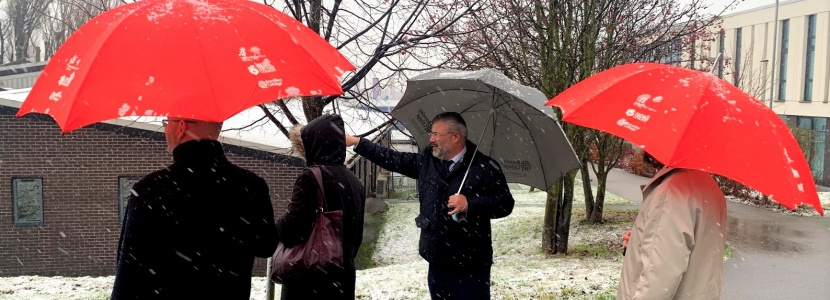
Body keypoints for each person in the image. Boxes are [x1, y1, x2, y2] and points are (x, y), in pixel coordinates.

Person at [346, 112, 515, 299]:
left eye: (436, 134)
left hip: (471, 266)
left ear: (455, 136)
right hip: (437, 262)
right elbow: (394, 159)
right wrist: (358, 142)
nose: (431, 139)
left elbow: (505, 204)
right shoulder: (428, 160)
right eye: (431, 134)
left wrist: (470, 203)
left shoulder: (485, 167)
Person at [111, 117, 279, 299]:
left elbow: (129, 272)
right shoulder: (252, 186)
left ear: (181, 127)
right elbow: (266, 246)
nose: (165, 129)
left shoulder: (149, 189)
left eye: (166, 122)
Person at [276, 114, 366, 299]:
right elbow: (355, 235)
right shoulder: (354, 180)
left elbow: (293, 230)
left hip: (310, 276)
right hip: (343, 275)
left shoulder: (311, 177)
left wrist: (277, 227)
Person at [617, 151, 727, 300]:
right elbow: (695, 250)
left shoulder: (673, 190)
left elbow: (657, 278)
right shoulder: (708, 186)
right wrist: (638, 243)